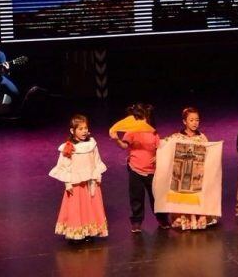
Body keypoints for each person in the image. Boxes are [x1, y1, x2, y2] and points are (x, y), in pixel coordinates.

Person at [110, 102, 170, 232]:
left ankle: (162, 219)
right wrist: (117, 139)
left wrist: (159, 156)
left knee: (156, 196)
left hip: (152, 171)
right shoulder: (131, 132)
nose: (141, 121)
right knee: (136, 197)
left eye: (143, 118)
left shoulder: (153, 133)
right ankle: (137, 221)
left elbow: (159, 149)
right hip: (135, 170)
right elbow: (125, 145)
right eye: (138, 118)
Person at [49, 114, 108, 242]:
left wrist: (97, 175)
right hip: (76, 184)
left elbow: (97, 161)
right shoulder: (69, 147)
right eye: (80, 129)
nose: (84, 131)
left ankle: (89, 232)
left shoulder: (91, 144)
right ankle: (76, 233)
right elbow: (63, 166)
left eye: (85, 128)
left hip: (90, 182)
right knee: (77, 208)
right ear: (72, 130)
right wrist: (68, 183)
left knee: (90, 208)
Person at [162, 106, 219, 230]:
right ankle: (185, 220)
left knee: (197, 195)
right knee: (184, 196)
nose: (195, 123)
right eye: (191, 120)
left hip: (197, 174)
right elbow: (164, 148)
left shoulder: (202, 137)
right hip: (182, 175)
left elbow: (208, 154)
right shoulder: (176, 137)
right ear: (184, 121)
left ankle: (199, 219)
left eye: (197, 120)